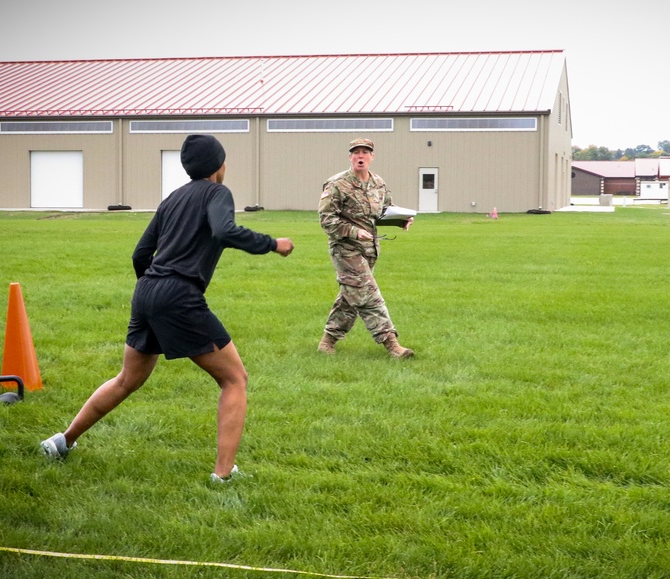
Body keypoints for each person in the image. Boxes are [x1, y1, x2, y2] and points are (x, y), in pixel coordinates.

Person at [40, 134, 295, 483]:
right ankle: (223, 475)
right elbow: (224, 230)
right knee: (234, 379)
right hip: (179, 297)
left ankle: (62, 441)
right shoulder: (218, 192)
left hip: (146, 291)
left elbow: (140, 255)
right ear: (220, 165)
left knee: (127, 379)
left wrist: (155, 293)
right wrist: (273, 244)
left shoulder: (172, 198)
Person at [317, 138, 414, 358]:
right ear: (350, 157)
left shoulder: (378, 183)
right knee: (369, 295)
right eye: (356, 152)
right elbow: (326, 219)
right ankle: (392, 344)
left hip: (370, 250)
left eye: (365, 152)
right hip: (345, 249)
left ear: (372, 157)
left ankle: (327, 341)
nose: (360, 156)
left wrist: (402, 220)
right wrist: (353, 231)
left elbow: (385, 211)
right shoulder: (336, 184)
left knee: (352, 296)